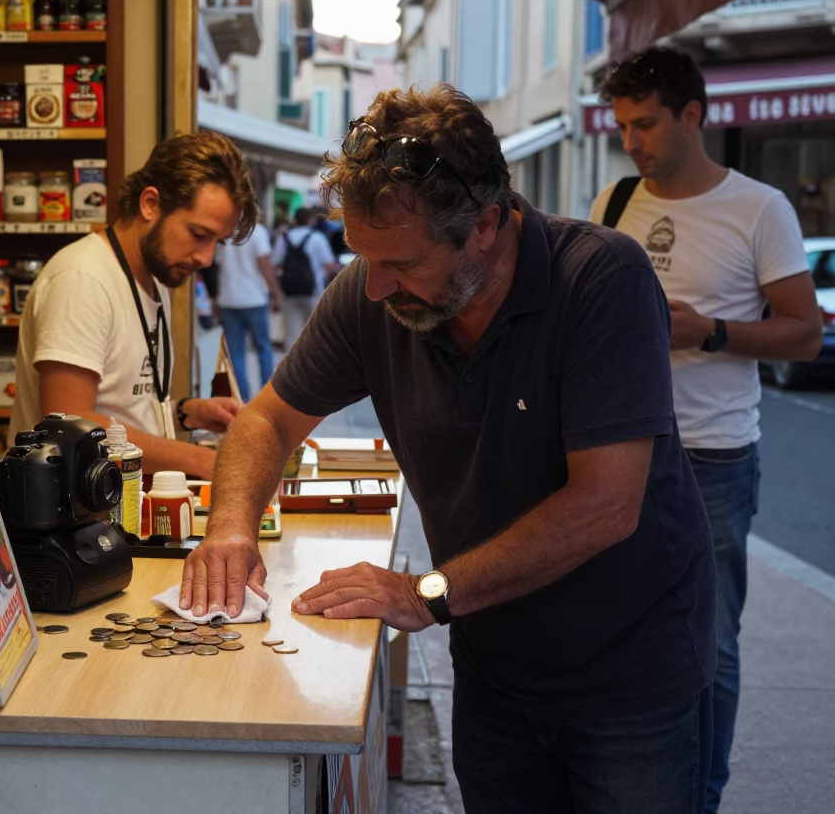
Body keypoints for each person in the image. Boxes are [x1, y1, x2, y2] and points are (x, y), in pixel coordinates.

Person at [181, 84, 718, 812]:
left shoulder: (602, 278)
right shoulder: (372, 291)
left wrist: (424, 593)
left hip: (629, 675)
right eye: (363, 257)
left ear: (486, 225)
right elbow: (266, 421)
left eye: (402, 264)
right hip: (496, 666)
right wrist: (229, 527)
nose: (375, 288)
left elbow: (605, 504)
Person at [590, 47, 822, 814]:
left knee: (710, 645)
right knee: (621, 632)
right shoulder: (614, 202)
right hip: (622, 451)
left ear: (693, 116)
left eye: (646, 124)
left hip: (714, 456)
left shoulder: (760, 208)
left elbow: (805, 334)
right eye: (623, 126)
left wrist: (710, 332)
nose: (632, 141)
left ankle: (700, 797)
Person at [8, 131, 260, 479]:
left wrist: (186, 413)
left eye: (218, 241)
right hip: (64, 510)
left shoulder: (154, 278)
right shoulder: (82, 279)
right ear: (150, 204)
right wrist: (197, 460)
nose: (206, 258)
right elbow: (66, 423)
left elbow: (122, 409)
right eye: (199, 234)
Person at [214, 220, 282, 401]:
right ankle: (267, 397)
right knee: (263, 347)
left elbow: (218, 266)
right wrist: (275, 293)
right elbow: (264, 264)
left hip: (229, 299)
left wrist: (215, 297)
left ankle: (242, 398)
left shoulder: (225, 230)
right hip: (254, 298)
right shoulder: (257, 231)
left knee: (236, 352)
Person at [271, 207, 340, 347]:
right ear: (310, 220)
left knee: (292, 332)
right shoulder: (317, 238)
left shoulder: (284, 238)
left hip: (289, 292)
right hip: (313, 291)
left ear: (295, 221)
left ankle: (291, 359)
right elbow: (330, 266)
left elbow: (274, 265)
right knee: (315, 331)